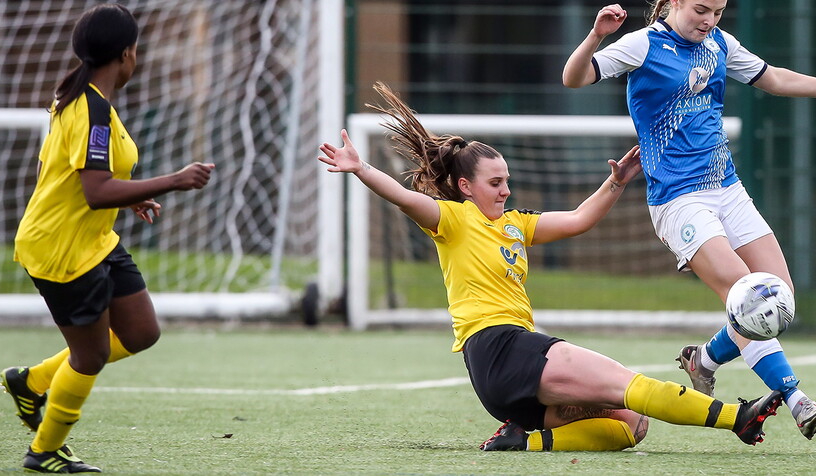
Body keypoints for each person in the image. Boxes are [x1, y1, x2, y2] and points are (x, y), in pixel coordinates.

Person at [319, 82, 782, 453]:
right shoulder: (454, 219)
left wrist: (615, 182)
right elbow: (403, 197)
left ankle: (525, 439)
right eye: (495, 183)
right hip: (502, 346)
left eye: (507, 182)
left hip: (503, 377)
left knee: (629, 425)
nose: (504, 191)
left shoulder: (517, 225)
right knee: (627, 383)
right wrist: (360, 169)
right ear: (464, 186)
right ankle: (737, 419)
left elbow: (579, 219)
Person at [561, 0, 816, 441]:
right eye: (700, 10)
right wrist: (597, 35)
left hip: (727, 188)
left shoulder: (720, 44)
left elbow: (774, 78)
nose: (709, 21)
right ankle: (796, 399)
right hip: (679, 200)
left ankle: (703, 359)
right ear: (674, 0)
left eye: (718, 12)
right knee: (749, 298)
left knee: (779, 299)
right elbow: (573, 78)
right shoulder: (641, 46)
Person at [0, 3, 215, 473]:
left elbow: (75, 175)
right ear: (126, 53)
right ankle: (44, 450)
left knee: (141, 332)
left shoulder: (85, 97)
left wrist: (130, 196)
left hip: (94, 239)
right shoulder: (90, 108)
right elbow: (95, 191)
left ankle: (31, 381)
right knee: (91, 355)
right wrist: (172, 181)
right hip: (63, 248)